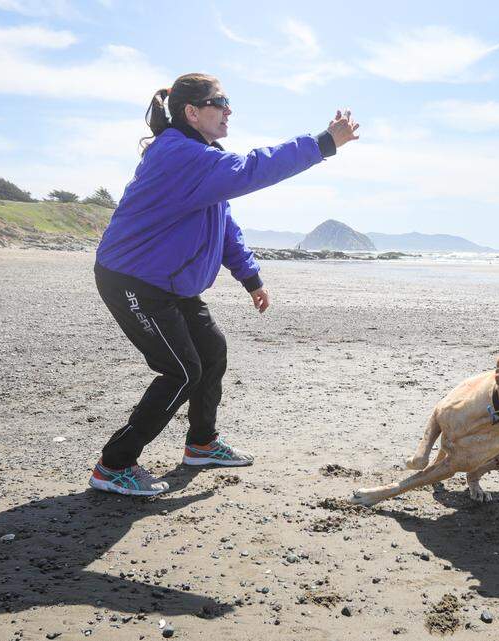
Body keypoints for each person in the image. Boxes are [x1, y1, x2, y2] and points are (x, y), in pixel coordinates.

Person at [89, 72, 359, 496]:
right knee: (180, 371)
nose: (229, 110)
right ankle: (114, 465)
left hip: (170, 282)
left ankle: (201, 444)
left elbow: (225, 224)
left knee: (212, 352)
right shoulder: (179, 154)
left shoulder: (201, 157)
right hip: (133, 279)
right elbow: (255, 167)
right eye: (221, 101)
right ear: (192, 112)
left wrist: (250, 277)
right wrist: (324, 142)